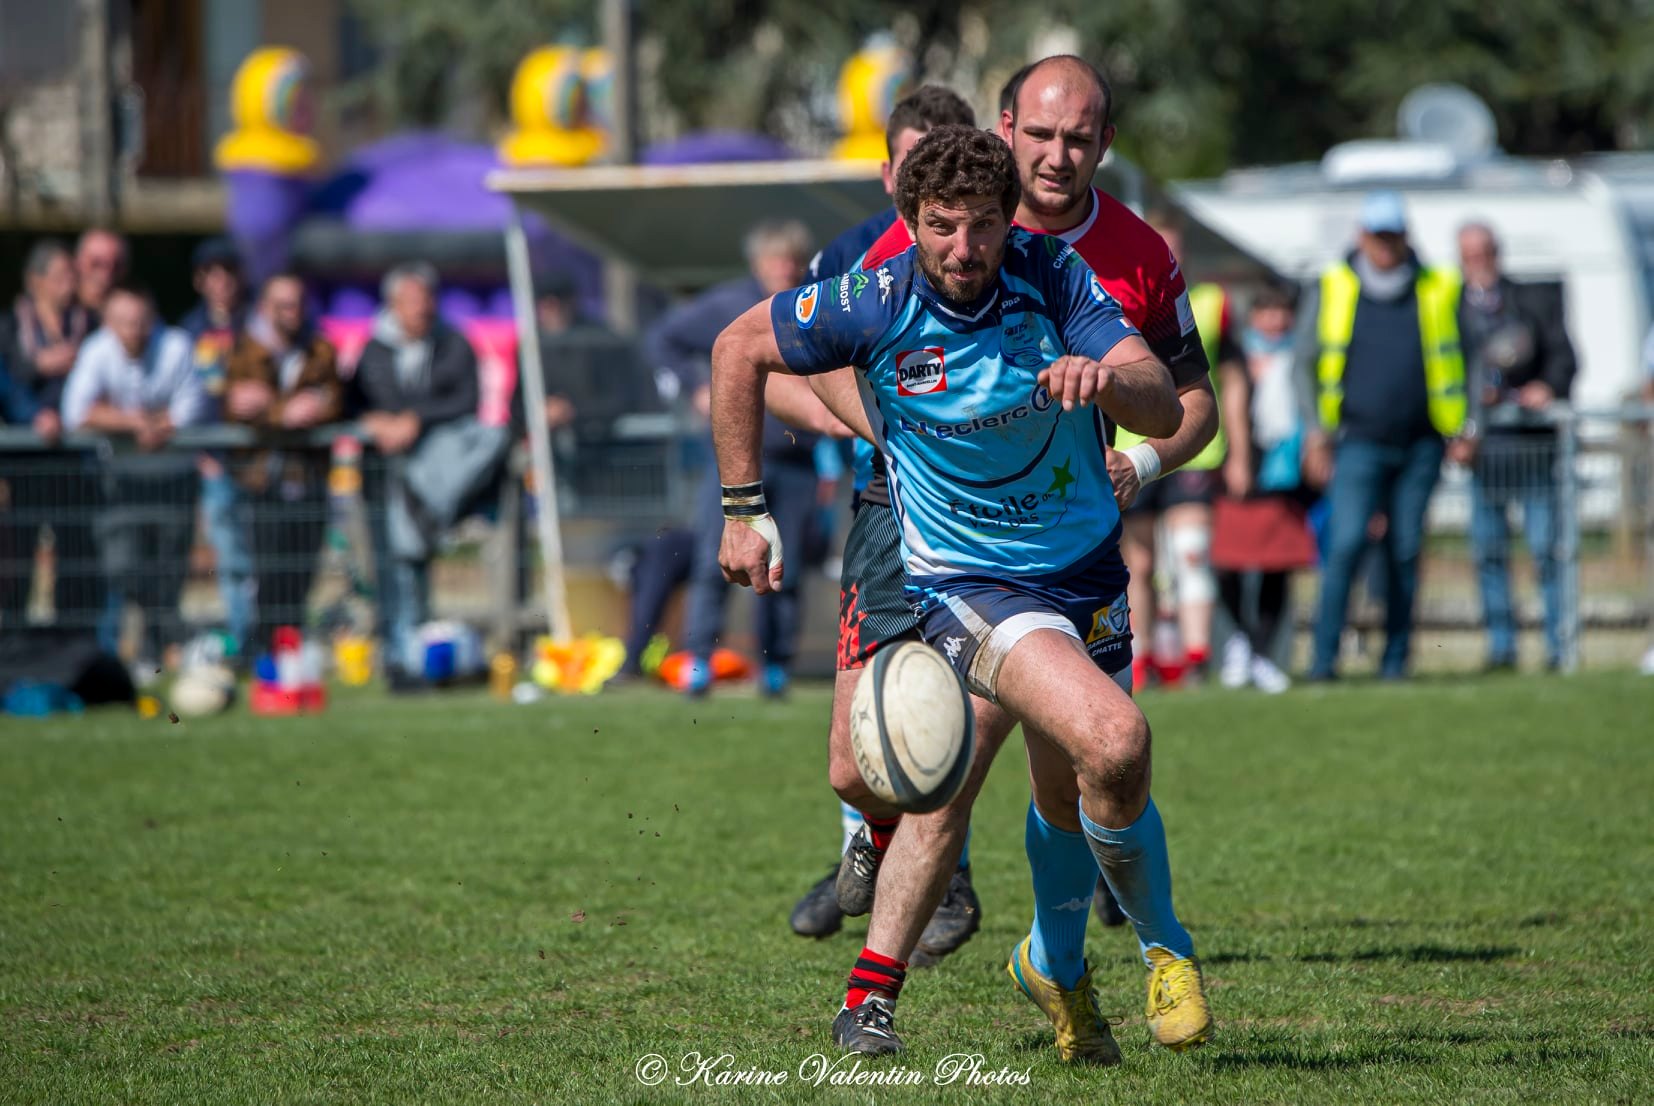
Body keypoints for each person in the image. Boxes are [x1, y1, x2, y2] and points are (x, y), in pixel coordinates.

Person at [712, 122, 1212, 1060]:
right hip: (971, 583)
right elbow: (738, 350)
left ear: (1007, 218)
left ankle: (993, 976)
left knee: (1063, 788)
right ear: (912, 219)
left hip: (1087, 573)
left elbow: (1165, 396)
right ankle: (1167, 950)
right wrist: (744, 509)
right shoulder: (873, 297)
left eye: (983, 224)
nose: (964, 248)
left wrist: (1106, 380)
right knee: (1114, 736)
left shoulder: (1053, 276)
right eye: (942, 225)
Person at [844, 55, 1223, 1013]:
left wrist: (1141, 459)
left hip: (1074, 544)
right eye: (1041, 135)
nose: (1058, 157)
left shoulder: (1135, 253)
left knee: (1069, 775)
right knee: (908, 764)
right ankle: (875, 960)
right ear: (1005, 127)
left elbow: (1191, 402)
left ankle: (1040, 964)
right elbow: (794, 351)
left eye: (1081, 139)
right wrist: (894, 429)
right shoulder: (936, 225)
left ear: (1106, 143)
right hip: (931, 532)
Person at [783, 83, 981, 950]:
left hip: (984, 513)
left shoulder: (998, 253)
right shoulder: (851, 258)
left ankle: (951, 885)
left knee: (948, 696)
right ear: (887, 168)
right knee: (864, 719)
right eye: (912, 161)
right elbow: (774, 364)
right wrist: (839, 413)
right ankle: (863, 847)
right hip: (883, 506)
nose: (931, 175)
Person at [644, 219, 820, 697]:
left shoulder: (814, 303)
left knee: (787, 568)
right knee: (714, 559)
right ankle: (698, 658)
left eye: (791, 260)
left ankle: (776, 666)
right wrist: (695, 386)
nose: (783, 269)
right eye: (774, 260)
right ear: (757, 264)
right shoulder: (727, 304)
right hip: (735, 464)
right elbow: (663, 340)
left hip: (799, 460)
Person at [1301, 191, 1469, 681]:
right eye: (1378, 234)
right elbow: (1303, 364)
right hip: (1356, 441)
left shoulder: (1437, 285)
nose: (1386, 243)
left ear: (1405, 235)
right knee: (1347, 542)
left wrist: (1467, 425)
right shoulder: (1335, 284)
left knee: (1404, 549)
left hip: (1422, 443)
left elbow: (1470, 354)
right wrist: (1315, 431)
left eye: (1393, 234)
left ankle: (1395, 662)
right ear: (1361, 236)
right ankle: (1322, 663)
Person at [353, 262, 507, 675]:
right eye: (412, 301)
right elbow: (355, 400)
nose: (422, 309)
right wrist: (374, 422)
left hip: (439, 476)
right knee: (390, 564)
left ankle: (427, 648)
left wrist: (414, 419)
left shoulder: (455, 343)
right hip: (384, 478)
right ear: (394, 305)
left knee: (424, 558)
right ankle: (397, 652)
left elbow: (466, 400)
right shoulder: (373, 349)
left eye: (427, 300)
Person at [1117, 212, 1240, 688]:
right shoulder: (1114, 297)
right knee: (1140, 566)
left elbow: (1232, 380)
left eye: (1175, 248)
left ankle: (1196, 660)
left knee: (1192, 556)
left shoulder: (1210, 302)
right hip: (1131, 448)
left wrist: (1241, 449)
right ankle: (1143, 660)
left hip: (1193, 451)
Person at [61, 285, 206, 665]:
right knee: (122, 565)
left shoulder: (175, 345)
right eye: (125, 323)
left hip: (174, 476)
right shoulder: (97, 350)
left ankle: (152, 655)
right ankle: (155, 635)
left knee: (170, 570)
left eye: (142, 322)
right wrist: (133, 422)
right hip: (122, 481)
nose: (135, 330)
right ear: (110, 323)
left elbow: (192, 406)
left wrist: (147, 425)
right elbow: (75, 412)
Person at [1456, 222, 1577, 672]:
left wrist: (1547, 386)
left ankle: (1558, 645)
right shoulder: (1451, 309)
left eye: (1484, 251)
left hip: (1532, 445)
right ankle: (1501, 647)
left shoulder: (1531, 300)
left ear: (1497, 253)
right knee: (1488, 551)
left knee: (1546, 548)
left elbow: (1565, 356)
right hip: (1484, 452)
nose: (1478, 261)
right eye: (1469, 254)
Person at [224, 272, 343, 652]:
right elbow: (231, 405)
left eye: (298, 303)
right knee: (262, 572)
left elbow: (335, 399)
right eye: (284, 305)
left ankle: (288, 656)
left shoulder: (320, 349)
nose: (294, 313)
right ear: (264, 308)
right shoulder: (242, 351)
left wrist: (305, 407)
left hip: (306, 477)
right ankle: (257, 652)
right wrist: (283, 413)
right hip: (257, 480)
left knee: (301, 572)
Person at [1212, 286, 1320, 693]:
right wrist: (1237, 458)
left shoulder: (1303, 354)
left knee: (1278, 565)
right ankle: (1244, 640)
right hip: (1242, 469)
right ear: (1253, 314)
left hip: (1286, 473)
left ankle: (1260, 653)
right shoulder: (1236, 353)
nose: (1276, 321)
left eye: (1282, 312)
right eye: (1267, 312)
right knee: (1228, 564)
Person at [1, 240, 101, 634]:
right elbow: (5, 383)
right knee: (18, 556)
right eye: (60, 276)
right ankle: (14, 640)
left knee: (75, 553)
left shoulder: (89, 325)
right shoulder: (10, 326)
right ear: (34, 281)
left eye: (71, 276)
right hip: (27, 458)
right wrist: (34, 412)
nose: (69, 284)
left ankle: (70, 640)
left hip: (75, 459)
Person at [179, 237, 256, 658]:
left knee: (266, 553)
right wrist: (200, 450)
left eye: (228, 271)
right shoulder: (189, 330)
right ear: (199, 280)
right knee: (230, 557)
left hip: (256, 458)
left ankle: (267, 640)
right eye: (212, 272)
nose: (221, 281)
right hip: (214, 461)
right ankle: (243, 640)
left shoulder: (257, 324)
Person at [74, 228, 129, 321]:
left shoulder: (138, 317)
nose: (106, 272)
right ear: (78, 262)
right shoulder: (53, 313)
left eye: (116, 265)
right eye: (96, 263)